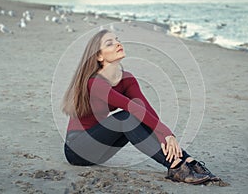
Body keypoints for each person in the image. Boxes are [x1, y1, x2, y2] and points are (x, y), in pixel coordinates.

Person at [62, 29, 221, 185]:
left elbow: (146, 110)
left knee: (139, 118)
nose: (118, 43)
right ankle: (175, 166)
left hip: (101, 150)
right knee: (126, 117)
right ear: (99, 56)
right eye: (110, 43)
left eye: (117, 39)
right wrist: (166, 132)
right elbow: (131, 107)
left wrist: (165, 136)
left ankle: (185, 159)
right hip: (77, 149)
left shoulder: (127, 79)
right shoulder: (95, 83)